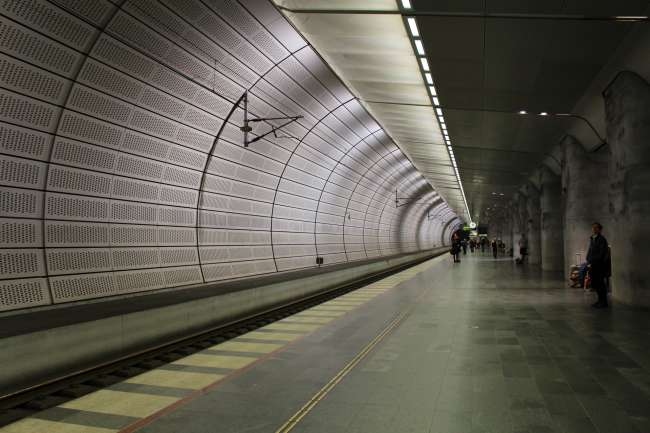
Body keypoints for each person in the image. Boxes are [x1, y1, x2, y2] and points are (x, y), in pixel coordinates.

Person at [587, 222, 609, 308]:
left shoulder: (601, 239)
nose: (594, 229)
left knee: (600, 283)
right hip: (593, 263)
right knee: (595, 283)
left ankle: (603, 302)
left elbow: (602, 253)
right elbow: (590, 250)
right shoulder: (593, 238)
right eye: (593, 228)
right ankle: (599, 300)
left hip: (599, 264)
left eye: (596, 228)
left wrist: (595, 260)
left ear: (600, 229)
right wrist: (588, 259)